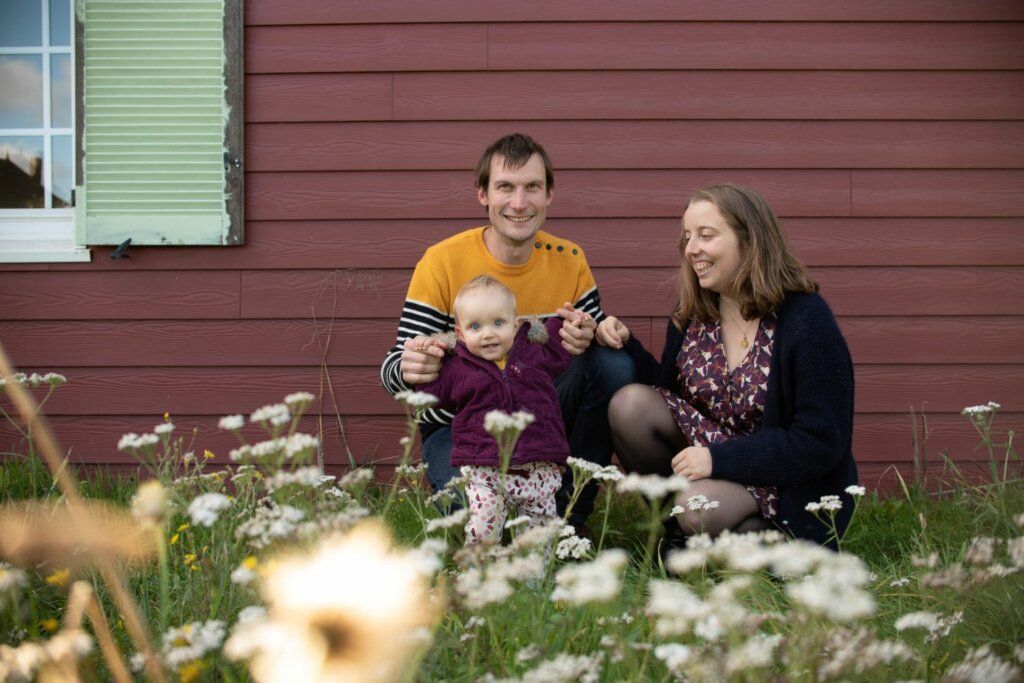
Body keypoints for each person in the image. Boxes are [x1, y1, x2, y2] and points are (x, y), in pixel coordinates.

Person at [379, 133, 635, 531]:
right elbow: (393, 371)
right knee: (471, 513)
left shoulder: (569, 260)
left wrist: (597, 333)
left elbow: (595, 336)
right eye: (505, 187)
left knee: (613, 365)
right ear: (482, 194)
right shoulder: (442, 262)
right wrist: (412, 366)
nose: (519, 203)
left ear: (550, 194)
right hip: (462, 427)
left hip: (544, 422)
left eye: (532, 187)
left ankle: (568, 519)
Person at [597, 184, 858, 548]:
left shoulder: (806, 321)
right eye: (687, 237)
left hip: (786, 484)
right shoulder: (694, 313)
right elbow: (666, 396)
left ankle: (760, 539)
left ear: (750, 242)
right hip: (711, 463)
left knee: (694, 507)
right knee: (630, 405)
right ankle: (678, 535)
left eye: (706, 235)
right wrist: (626, 345)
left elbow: (820, 443)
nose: (691, 249)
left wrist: (718, 460)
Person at [417, 276, 581, 543]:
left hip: (537, 460)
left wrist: (568, 321)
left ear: (516, 326)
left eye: (498, 323)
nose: (488, 333)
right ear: (460, 334)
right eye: (475, 326)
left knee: (538, 530)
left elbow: (558, 348)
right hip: (484, 465)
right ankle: (479, 576)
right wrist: (430, 357)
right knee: (482, 528)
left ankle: (533, 582)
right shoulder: (457, 368)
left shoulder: (533, 354)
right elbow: (430, 393)